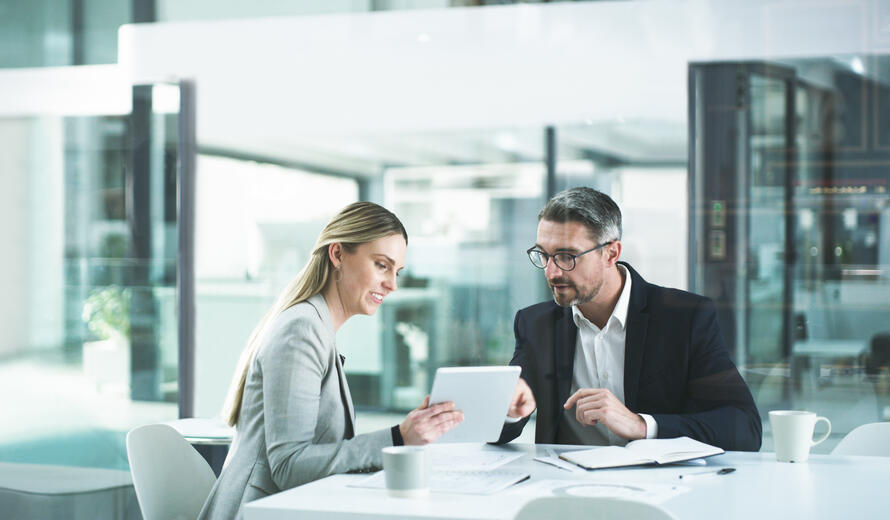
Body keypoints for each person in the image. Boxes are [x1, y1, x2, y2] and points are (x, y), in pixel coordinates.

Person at [199, 202, 464, 520]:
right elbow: (289, 465)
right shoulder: (301, 330)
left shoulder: (316, 325)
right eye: (382, 265)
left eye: (397, 271)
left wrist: (409, 433)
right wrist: (398, 438)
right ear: (337, 254)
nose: (392, 284)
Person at [498, 187, 761, 451]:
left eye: (567, 256)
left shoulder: (685, 318)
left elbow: (744, 428)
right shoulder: (535, 324)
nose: (551, 272)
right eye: (544, 255)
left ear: (611, 253)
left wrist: (641, 425)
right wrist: (510, 410)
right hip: (568, 486)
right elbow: (500, 426)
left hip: (662, 484)